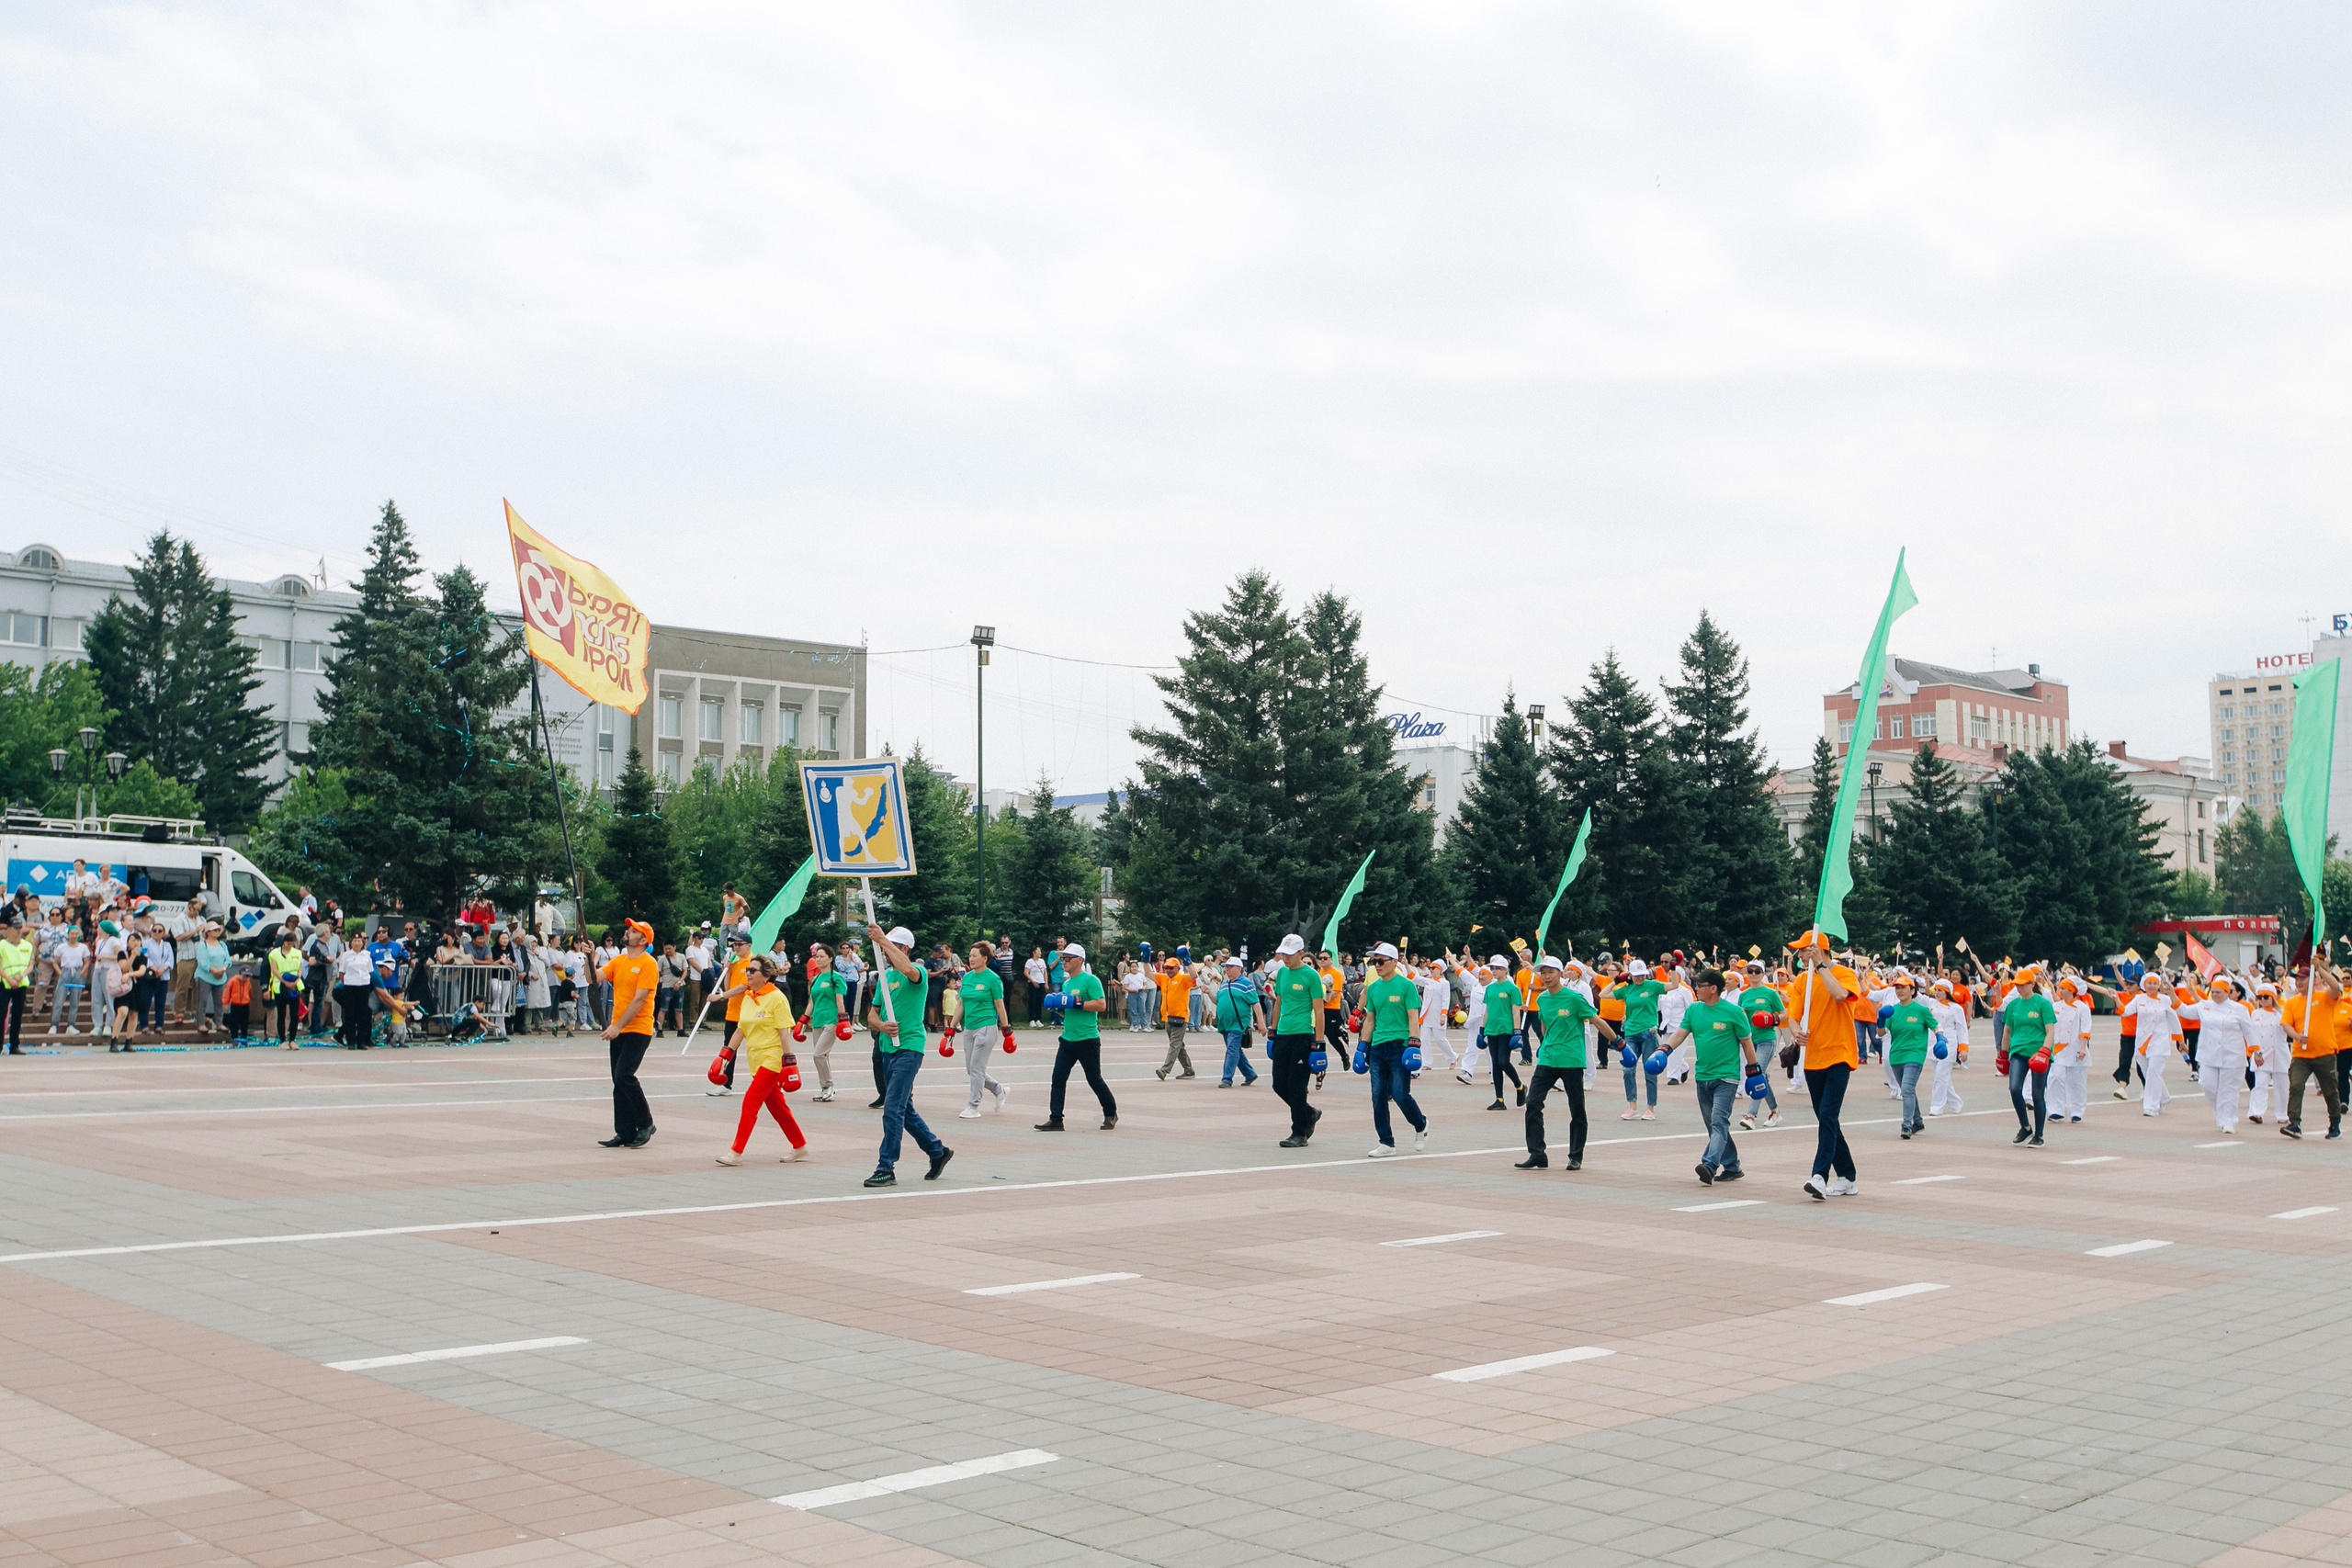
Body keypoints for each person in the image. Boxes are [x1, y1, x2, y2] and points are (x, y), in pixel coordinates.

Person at [861, 923, 953, 1187]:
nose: (884, 952)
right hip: (888, 1048)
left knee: (892, 1108)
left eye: (889, 947)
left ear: (902, 948)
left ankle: (886, 1166)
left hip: (909, 1048)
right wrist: (881, 1026)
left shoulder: (918, 973)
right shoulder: (885, 978)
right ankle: (937, 1151)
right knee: (905, 1109)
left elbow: (909, 970)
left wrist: (882, 940)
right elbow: (872, 1016)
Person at [1516, 955, 1616, 1170]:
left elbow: (1597, 1021)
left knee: (1577, 1107)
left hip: (1571, 1059)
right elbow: (1544, 1025)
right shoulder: (1542, 999)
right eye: (1543, 972)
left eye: (1550, 972)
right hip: (1548, 1059)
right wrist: (1544, 1046)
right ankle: (1537, 1154)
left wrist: (1619, 1042)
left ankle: (1575, 1155)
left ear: (1561, 974)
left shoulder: (1574, 998)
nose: (1546, 976)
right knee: (1532, 1103)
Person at [1664, 967, 1758, 1182]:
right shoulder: (1694, 1010)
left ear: (1713, 989)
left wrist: (1754, 1072)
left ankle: (1709, 1164)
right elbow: (1680, 1033)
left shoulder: (1734, 1012)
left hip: (1727, 1077)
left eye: (1700, 985)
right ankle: (1733, 1166)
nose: (1696, 989)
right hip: (1703, 1076)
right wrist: (1664, 1049)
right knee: (1715, 1124)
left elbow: (1746, 1042)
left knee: (1718, 1121)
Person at [1787, 931, 1861, 1199]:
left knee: (1828, 1115)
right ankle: (1847, 1176)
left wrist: (1821, 967)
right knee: (1825, 1118)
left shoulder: (1843, 973)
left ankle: (1819, 1176)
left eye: (1804, 950)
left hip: (1840, 1054)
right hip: (1813, 1057)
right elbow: (1793, 1017)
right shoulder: (1802, 981)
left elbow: (1841, 996)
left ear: (1817, 950)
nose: (1799, 955)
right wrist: (1796, 1032)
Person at [716, 954, 809, 1166]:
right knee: (777, 1107)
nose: (747, 973)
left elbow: (783, 1032)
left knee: (750, 1102)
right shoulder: (749, 997)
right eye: (747, 970)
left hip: (772, 1059)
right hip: (755, 1060)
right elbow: (741, 1030)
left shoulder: (777, 997)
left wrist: (789, 1061)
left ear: (766, 976)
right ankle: (799, 1145)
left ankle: (736, 1153)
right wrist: (725, 1056)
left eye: (752, 970)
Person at [1354, 942, 1428, 1157]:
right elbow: (1370, 1020)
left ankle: (1421, 1124)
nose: (1376, 965)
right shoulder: (1374, 988)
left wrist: (1414, 1043)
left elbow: (1413, 1016)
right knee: (1377, 1096)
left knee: (1400, 1094)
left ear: (1394, 962)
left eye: (1380, 961)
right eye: (1373, 961)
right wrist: (1361, 1047)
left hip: (1400, 1046)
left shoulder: (1406, 986)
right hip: (1378, 1047)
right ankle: (1386, 1142)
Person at [1035, 942, 1116, 1131]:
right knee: (1058, 1078)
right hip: (1067, 1039)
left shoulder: (1091, 980)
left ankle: (1110, 1113)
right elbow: (1069, 1009)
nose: (1063, 961)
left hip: (1087, 1039)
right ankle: (1056, 1119)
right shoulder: (1067, 983)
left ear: (1079, 960)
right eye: (1063, 958)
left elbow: (1101, 1005)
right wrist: (1057, 1008)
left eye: (1067, 958)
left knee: (1094, 1079)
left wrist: (1078, 1003)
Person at [597, 920, 661, 1148]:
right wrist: (588, 957)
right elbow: (591, 978)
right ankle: (624, 1131)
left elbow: (639, 999)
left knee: (625, 1075)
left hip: (638, 1028)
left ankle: (645, 1124)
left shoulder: (648, 964)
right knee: (618, 1080)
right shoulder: (619, 961)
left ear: (643, 940)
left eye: (634, 931)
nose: (628, 932)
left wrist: (617, 1026)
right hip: (619, 1030)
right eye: (629, 929)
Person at [1261, 934, 1327, 1147]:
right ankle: (1309, 1112)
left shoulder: (1311, 976)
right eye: (1283, 953)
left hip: (1303, 1034)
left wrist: (1319, 1044)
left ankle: (1299, 1132)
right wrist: (1273, 1030)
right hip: (1283, 1034)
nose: (1285, 958)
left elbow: (1319, 1010)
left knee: (1297, 1086)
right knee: (1279, 1084)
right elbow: (1279, 1002)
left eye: (1290, 954)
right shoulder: (1281, 973)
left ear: (1301, 953)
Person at [2181, 974, 2255, 1134]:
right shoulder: (2204, 1006)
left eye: (2218, 992)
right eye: (2213, 992)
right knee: (2208, 1085)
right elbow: (2184, 1011)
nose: (2215, 995)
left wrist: (2256, 1051)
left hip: (2232, 1055)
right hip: (2208, 1054)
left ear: (2227, 992)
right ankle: (2222, 1114)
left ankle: (2229, 1120)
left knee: (2229, 1090)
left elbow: (2249, 1031)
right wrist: (2172, 995)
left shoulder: (2239, 1009)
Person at [2282, 963, 2346, 1140]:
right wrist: (2296, 1035)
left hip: (2324, 1053)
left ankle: (2334, 1123)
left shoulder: (2324, 997)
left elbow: (2335, 987)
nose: (2299, 982)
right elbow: (2286, 1024)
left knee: (2330, 1090)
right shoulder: (2292, 1002)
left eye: (2303, 978)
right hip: (2301, 1055)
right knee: (2295, 1086)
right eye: (2297, 979)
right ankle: (2294, 1122)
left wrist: (2319, 969)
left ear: (2314, 979)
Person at [1998, 966, 2058, 1146]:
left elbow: (2050, 1030)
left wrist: (2045, 1051)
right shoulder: (2013, 1005)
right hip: (2018, 1052)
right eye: (2017, 985)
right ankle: (2025, 1126)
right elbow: (2007, 1031)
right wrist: (2003, 1053)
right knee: (2015, 1088)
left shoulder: (2042, 1004)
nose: (2019, 988)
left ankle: (2039, 1135)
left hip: (2039, 1054)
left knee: (2037, 1094)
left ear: (2032, 984)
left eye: (2023, 985)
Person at [954, 941, 1013, 1120]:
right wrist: (950, 1028)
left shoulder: (992, 978)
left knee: (977, 1068)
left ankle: (973, 1107)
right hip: (969, 1028)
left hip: (986, 1026)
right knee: (971, 1069)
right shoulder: (968, 978)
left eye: (975, 956)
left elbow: (999, 1005)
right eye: (970, 955)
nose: (971, 958)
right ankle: (999, 1090)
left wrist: (1007, 1029)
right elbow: (961, 1003)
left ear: (985, 958)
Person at [2120, 974, 2184, 1118]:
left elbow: (2174, 1021)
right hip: (2142, 1042)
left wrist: (2180, 1041)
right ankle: (2164, 1097)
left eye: (2155, 983)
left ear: (2159, 985)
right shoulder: (2138, 999)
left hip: (2159, 1042)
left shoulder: (2166, 1000)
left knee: (2154, 1072)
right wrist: (2116, 999)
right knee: (2148, 1072)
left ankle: (2151, 1106)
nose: (2152, 986)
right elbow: (2125, 1011)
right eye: (2149, 983)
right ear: (2144, 985)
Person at [1473, 955, 1525, 1110]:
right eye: (1493, 969)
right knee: (1495, 1063)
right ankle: (1499, 1099)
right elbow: (1487, 1010)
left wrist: (1517, 1031)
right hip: (1492, 1029)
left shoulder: (1512, 988)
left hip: (1506, 1029)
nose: (1494, 971)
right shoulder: (1490, 988)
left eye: (1497, 969)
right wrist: (1482, 1030)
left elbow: (1516, 1012)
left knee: (1503, 1061)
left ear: (1505, 970)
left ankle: (1520, 1086)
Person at [2249, 981, 2290, 1126]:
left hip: (2279, 1054)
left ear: (2273, 997)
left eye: (2266, 997)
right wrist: (2255, 1052)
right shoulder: (2254, 1014)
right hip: (2260, 1054)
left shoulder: (2282, 1013)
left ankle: (2282, 1114)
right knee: (2260, 1084)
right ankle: (2256, 1112)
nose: (2262, 1000)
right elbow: (2252, 1035)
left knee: (2282, 1086)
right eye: (2259, 997)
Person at [1154, 956, 1195, 1079]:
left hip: (1180, 1017)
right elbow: (1148, 973)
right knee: (1178, 1045)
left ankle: (1165, 1070)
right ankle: (1189, 1070)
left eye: (1171, 968)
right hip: (1167, 1018)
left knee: (1175, 1045)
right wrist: (1145, 960)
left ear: (1178, 968)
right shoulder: (1164, 978)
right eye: (1166, 967)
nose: (1168, 970)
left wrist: (1188, 961)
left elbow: (1193, 976)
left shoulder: (1183, 979)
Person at [266, 925, 303, 1047]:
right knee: (281, 1014)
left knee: (294, 1014)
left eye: (293, 943)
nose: (290, 946)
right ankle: (282, 1040)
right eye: (288, 943)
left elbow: (299, 969)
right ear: (283, 942)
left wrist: (295, 981)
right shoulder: (274, 954)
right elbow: (274, 970)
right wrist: (284, 982)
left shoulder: (297, 953)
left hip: (294, 985)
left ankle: (292, 1039)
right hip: (280, 985)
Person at [49, 922, 88, 1036]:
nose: (74, 936)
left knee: (75, 1001)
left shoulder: (82, 947)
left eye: (76, 934)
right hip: (65, 971)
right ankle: (54, 1025)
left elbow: (86, 962)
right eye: (72, 933)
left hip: (77, 972)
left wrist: (82, 971)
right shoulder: (62, 947)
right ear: (68, 934)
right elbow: (55, 962)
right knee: (59, 1000)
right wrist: (60, 972)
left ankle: (71, 1025)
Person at [192, 922, 230, 1037]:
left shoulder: (222, 944)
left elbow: (227, 960)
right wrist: (214, 971)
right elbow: (203, 962)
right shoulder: (203, 945)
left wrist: (222, 969)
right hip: (205, 976)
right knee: (202, 1001)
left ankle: (219, 1023)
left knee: (219, 1002)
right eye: (215, 930)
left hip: (220, 977)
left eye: (218, 930)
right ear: (208, 932)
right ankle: (201, 1023)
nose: (218, 932)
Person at [0, 915, 30, 1055]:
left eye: (20, 928)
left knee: (17, 1015)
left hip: (21, 982)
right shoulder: (2, 945)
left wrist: (21, 976)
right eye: (15, 928)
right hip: (5, 983)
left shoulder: (27, 945)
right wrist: (9, 979)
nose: (18, 931)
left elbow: (30, 964)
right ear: (8, 930)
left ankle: (14, 1045)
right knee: (1, 1014)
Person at [1024, 946, 1049, 1027]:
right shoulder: (1030, 961)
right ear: (1034, 952)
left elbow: (1045, 972)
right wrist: (1032, 981)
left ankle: (1038, 1019)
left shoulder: (1042, 961)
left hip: (1041, 983)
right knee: (1032, 1001)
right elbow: (1026, 972)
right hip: (1033, 983)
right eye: (1038, 951)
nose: (1040, 953)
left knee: (1039, 1001)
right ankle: (1031, 1019)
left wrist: (1046, 983)